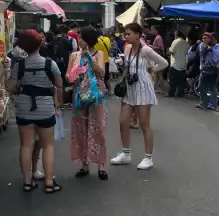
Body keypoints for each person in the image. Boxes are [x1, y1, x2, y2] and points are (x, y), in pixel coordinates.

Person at [5, 30, 63, 194]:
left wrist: (8, 72)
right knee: (48, 146)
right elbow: (59, 83)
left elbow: (10, 87)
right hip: (45, 107)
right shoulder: (49, 64)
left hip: (24, 108)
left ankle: (27, 182)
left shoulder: (19, 65)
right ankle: (49, 183)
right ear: (40, 44)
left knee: (26, 145)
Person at [111, 23, 168, 170]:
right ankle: (126, 153)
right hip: (130, 87)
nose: (126, 37)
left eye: (129, 34)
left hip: (143, 87)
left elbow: (164, 63)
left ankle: (148, 157)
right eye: (125, 34)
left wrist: (151, 70)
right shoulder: (127, 48)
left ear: (138, 35)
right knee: (123, 121)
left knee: (144, 124)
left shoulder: (146, 50)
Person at [67, 26, 108, 180]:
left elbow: (101, 73)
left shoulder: (99, 54)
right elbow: (67, 75)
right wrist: (73, 77)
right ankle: (84, 164)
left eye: (82, 38)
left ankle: (101, 165)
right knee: (81, 129)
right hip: (79, 94)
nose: (80, 41)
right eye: (79, 38)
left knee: (98, 128)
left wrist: (90, 59)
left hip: (96, 94)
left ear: (89, 40)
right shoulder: (74, 55)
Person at [196, 32, 219, 111]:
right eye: (203, 38)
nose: (204, 40)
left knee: (212, 88)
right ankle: (203, 103)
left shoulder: (217, 48)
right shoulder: (202, 46)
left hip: (213, 70)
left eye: (206, 38)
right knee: (201, 86)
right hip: (204, 69)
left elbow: (216, 59)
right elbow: (199, 52)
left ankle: (212, 105)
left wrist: (211, 50)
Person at [167, 30, 190, 97]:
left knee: (172, 80)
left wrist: (169, 51)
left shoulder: (175, 41)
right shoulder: (186, 43)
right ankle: (180, 93)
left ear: (177, 35)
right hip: (183, 64)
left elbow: (171, 51)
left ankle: (171, 93)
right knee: (181, 80)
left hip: (175, 63)